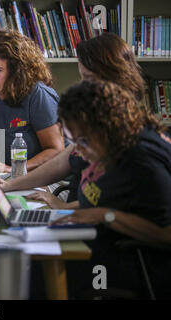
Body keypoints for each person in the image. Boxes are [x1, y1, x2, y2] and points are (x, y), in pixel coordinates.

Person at [0, 32, 148, 209]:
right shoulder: (97, 117)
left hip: (86, 220)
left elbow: (116, 199)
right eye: (82, 77)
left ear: (115, 76)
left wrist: (63, 207)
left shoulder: (127, 129)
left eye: (89, 78)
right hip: (75, 212)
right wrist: (9, 185)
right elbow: (63, 161)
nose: (83, 85)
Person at [51, 80, 171, 297]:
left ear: (107, 127)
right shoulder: (115, 146)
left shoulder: (143, 163)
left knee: (38, 271)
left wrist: (106, 215)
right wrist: (67, 210)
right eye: (72, 141)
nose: (77, 150)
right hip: (106, 242)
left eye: (83, 141)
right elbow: (116, 199)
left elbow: (167, 233)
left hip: (140, 263)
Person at [0, 29, 64, 169]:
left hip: (43, 178)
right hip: (2, 178)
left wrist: (12, 170)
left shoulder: (38, 96)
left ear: (15, 71)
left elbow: (56, 151)